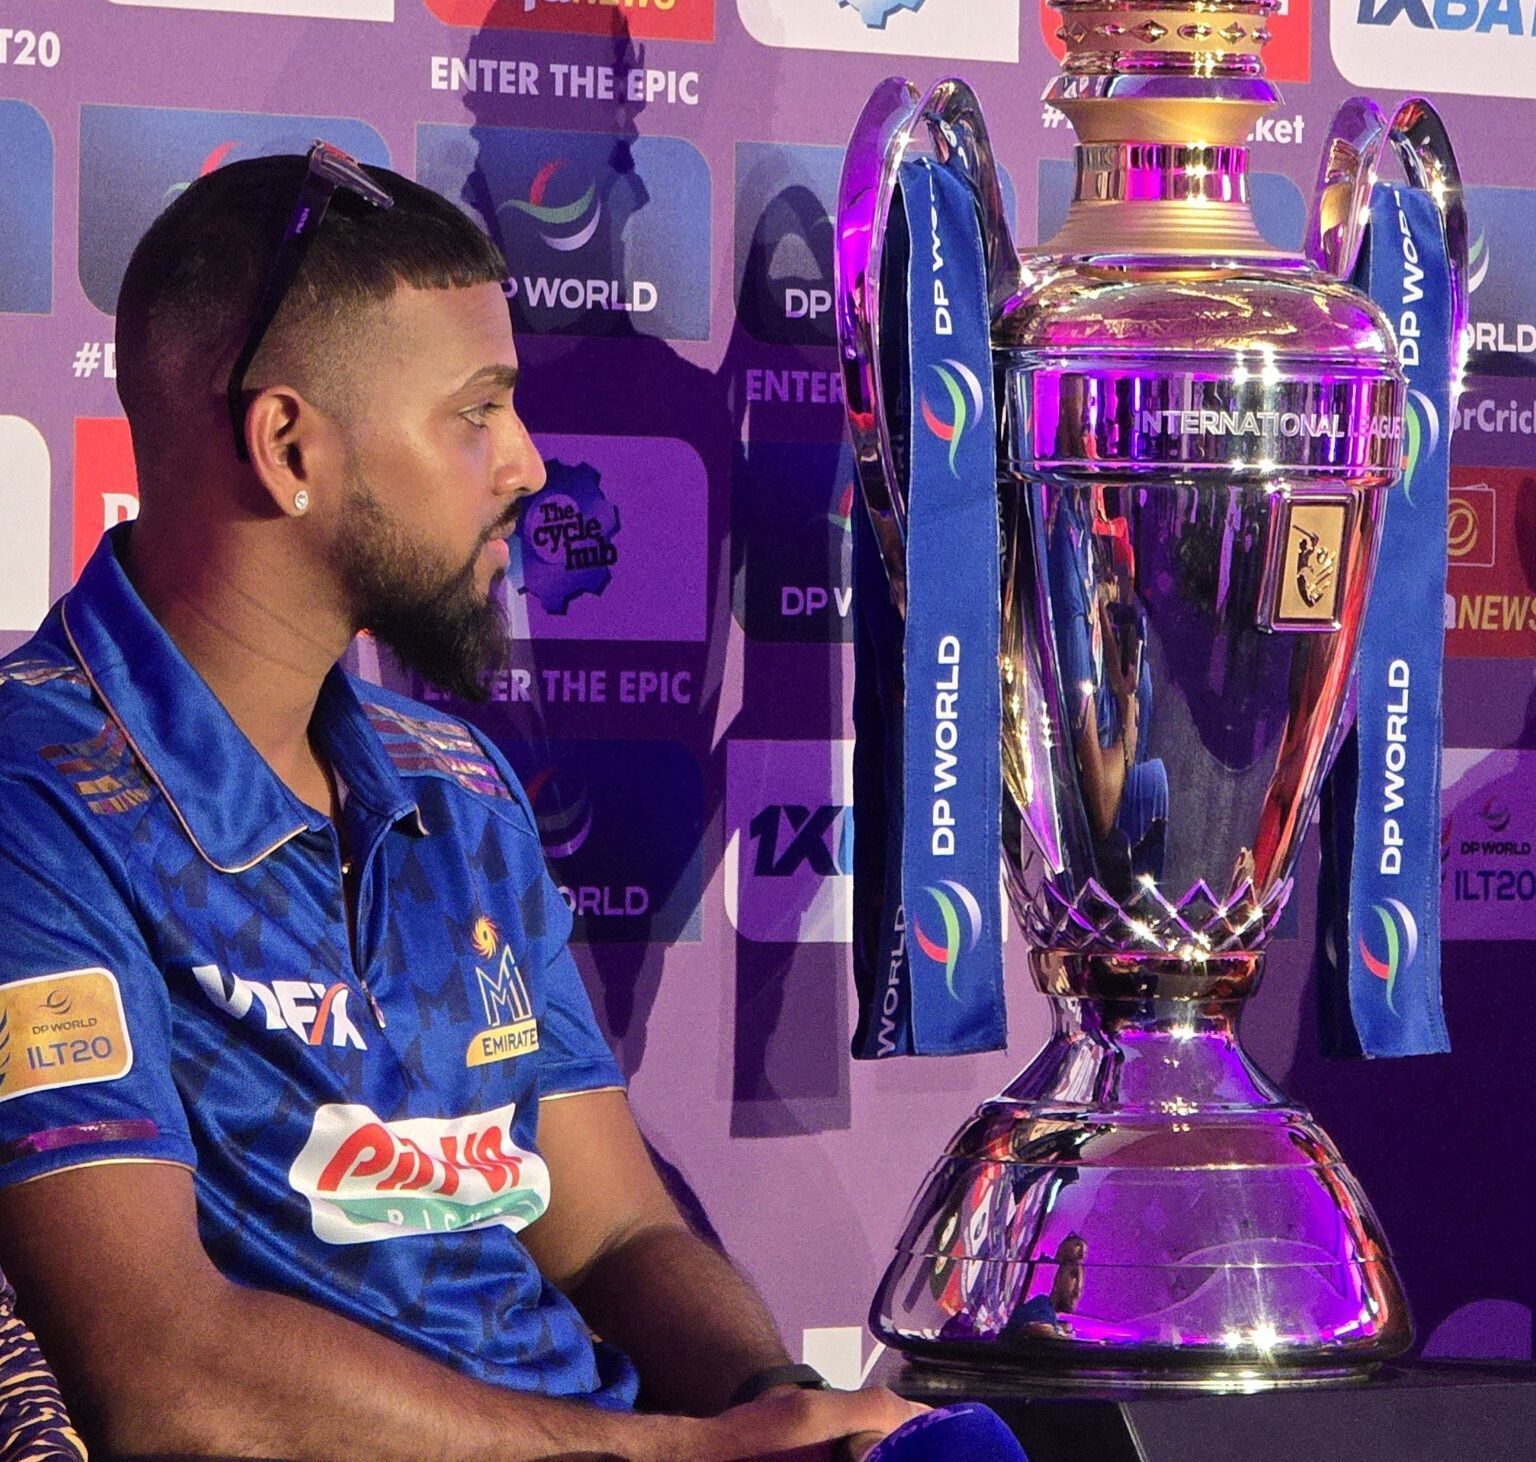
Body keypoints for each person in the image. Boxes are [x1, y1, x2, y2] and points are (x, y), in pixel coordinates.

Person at [0, 147, 921, 1460]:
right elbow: (171, 1373)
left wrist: (779, 1409)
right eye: (478, 410)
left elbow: (616, 1230)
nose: (531, 465)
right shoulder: (34, 800)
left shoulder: (456, 783)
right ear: (288, 446)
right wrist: (666, 1454)